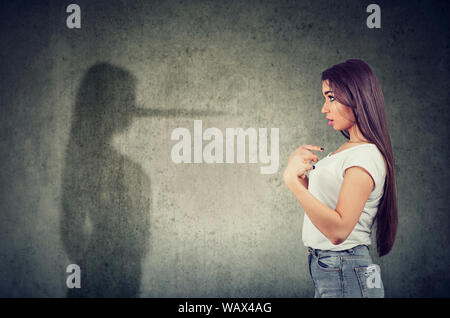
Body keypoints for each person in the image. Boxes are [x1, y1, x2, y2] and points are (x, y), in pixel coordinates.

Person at [283, 59, 398, 298]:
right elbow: (325, 207)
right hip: (333, 269)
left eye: (331, 97)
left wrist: (293, 183)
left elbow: (338, 231)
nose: (324, 108)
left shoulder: (364, 156)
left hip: (344, 268)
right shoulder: (350, 150)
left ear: (357, 97)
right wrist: (300, 176)